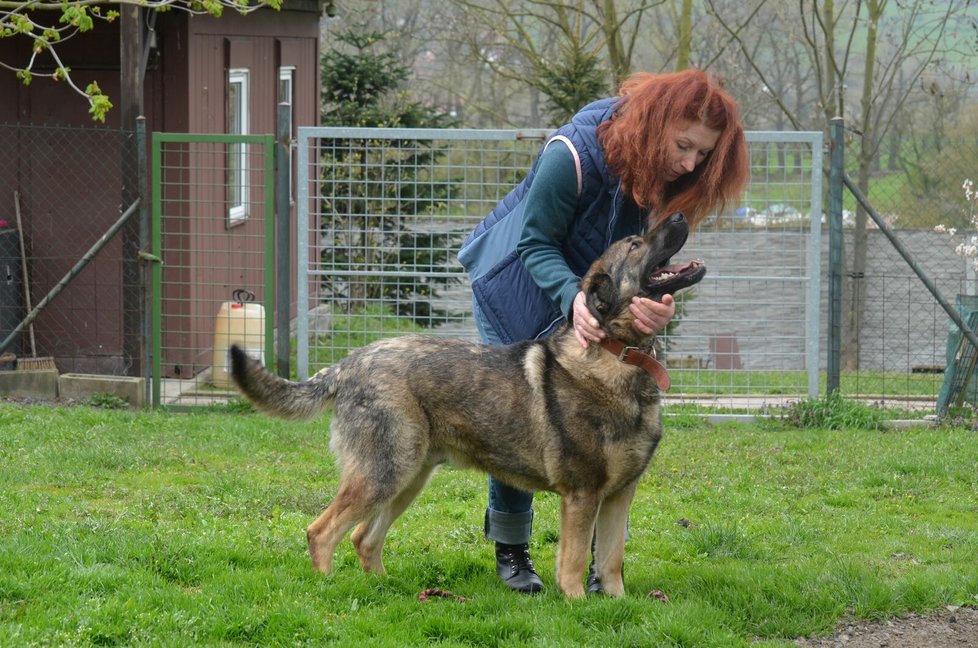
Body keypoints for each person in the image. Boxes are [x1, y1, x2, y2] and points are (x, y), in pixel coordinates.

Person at [457, 68, 751, 594]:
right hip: (518, 280)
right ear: (656, 121)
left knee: (598, 435)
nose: (690, 163)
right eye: (684, 146)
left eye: (702, 155)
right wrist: (572, 296)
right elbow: (534, 241)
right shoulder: (570, 154)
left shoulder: (662, 171)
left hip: (591, 290)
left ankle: (602, 570)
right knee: (513, 417)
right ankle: (512, 549)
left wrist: (649, 310)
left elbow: (629, 263)